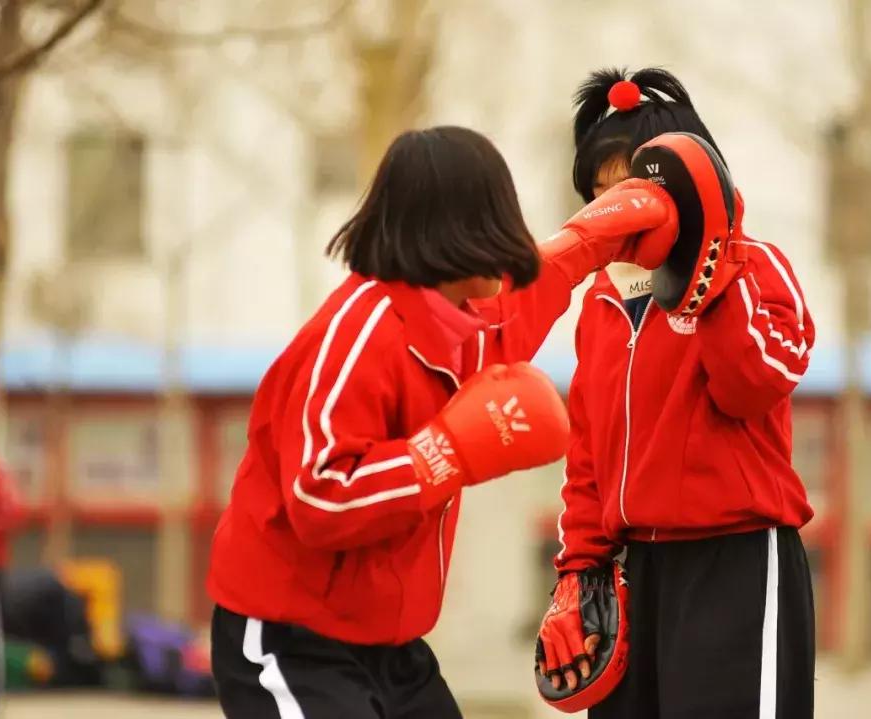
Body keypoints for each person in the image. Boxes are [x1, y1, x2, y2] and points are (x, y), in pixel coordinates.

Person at [207, 125, 676, 718]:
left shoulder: (462, 325)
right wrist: (442, 452)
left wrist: (601, 230)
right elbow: (318, 496)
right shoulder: (358, 337)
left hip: (390, 644)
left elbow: (529, 296)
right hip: (290, 639)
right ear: (467, 228)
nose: (514, 240)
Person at [536, 68, 818, 718]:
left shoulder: (756, 264)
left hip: (736, 562)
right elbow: (588, 459)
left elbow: (756, 383)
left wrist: (706, 272)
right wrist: (578, 572)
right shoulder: (602, 302)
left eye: (628, 187)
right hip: (634, 573)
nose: (612, 209)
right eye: (597, 191)